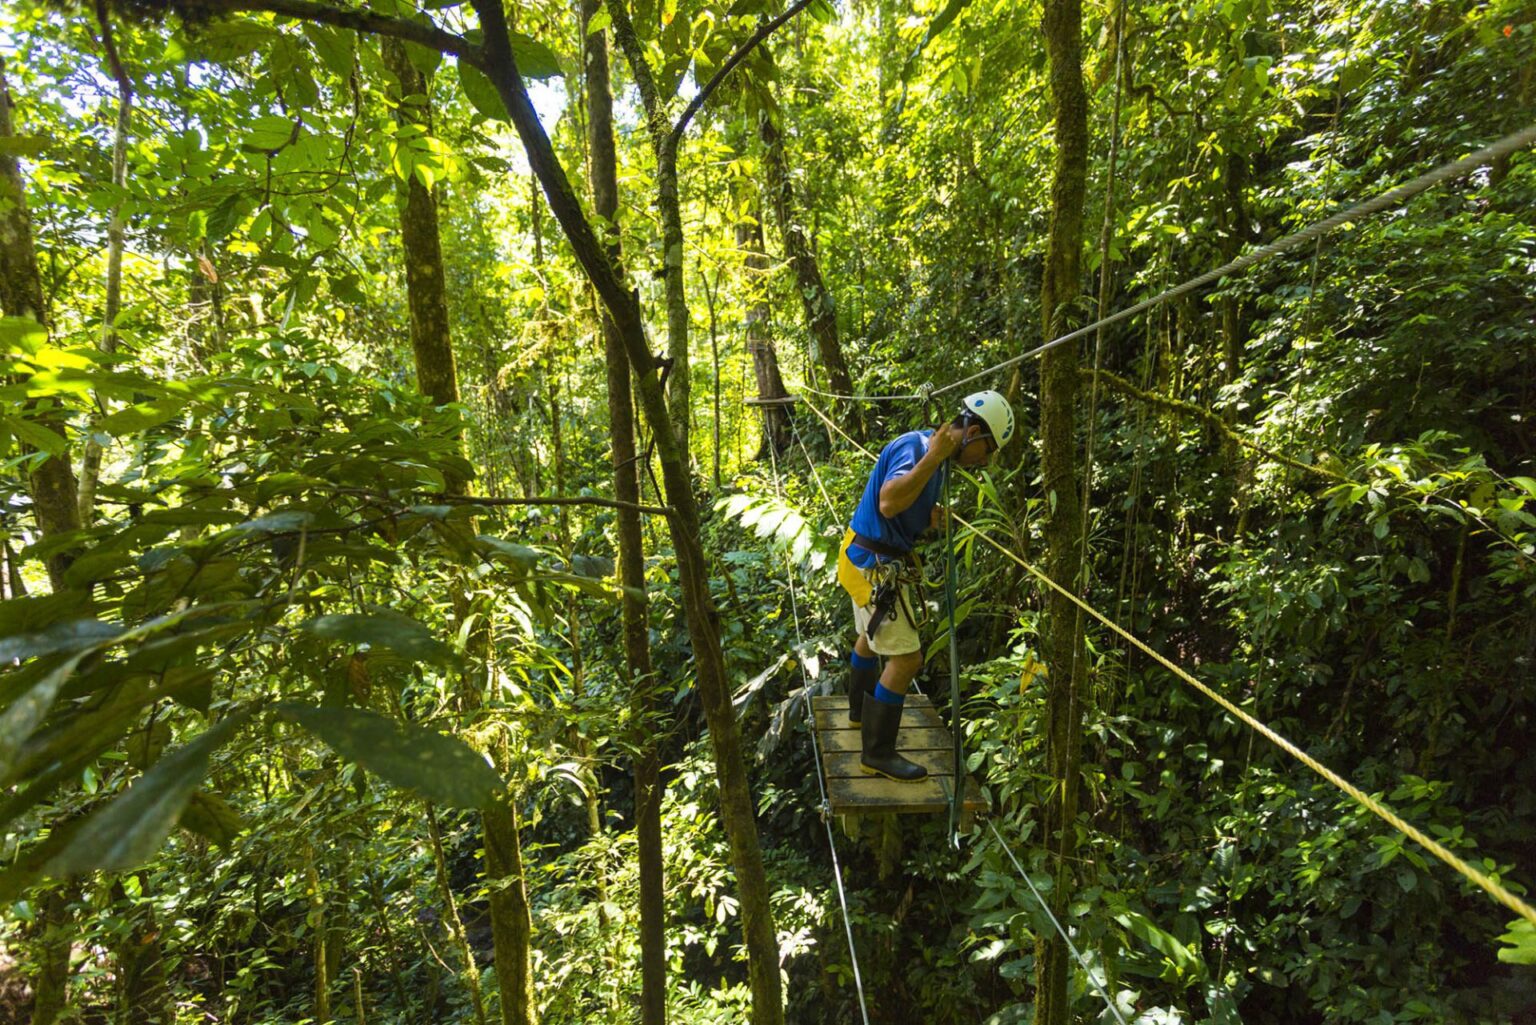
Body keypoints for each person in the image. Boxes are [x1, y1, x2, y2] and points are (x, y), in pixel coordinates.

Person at [836, 390, 1016, 782]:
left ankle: (855, 716)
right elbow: (887, 502)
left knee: (870, 637)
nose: (985, 461)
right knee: (907, 660)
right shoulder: (919, 449)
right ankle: (877, 753)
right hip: (873, 565)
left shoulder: (930, 458)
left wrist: (927, 515)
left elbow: (903, 503)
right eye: (987, 449)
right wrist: (934, 457)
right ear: (971, 431)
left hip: (860, 555)